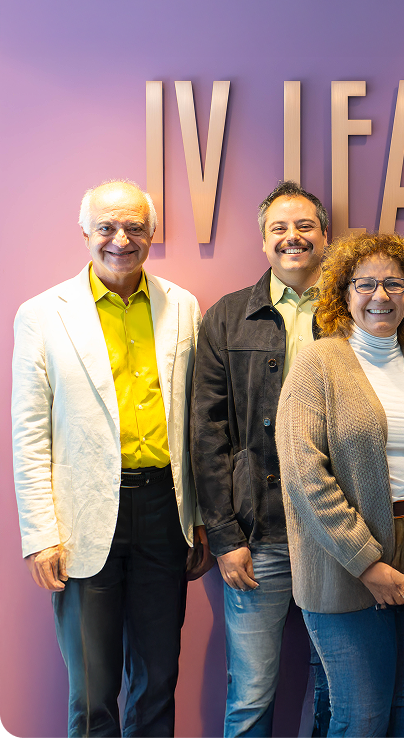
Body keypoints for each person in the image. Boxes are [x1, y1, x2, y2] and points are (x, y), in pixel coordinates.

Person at [12, 179, 212, 738]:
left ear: (152, 233)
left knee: (157, 679)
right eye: (107, 227)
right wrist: (41, 535)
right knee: (92, 690)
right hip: (82, 517)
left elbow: (194, 419)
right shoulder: (41, 315)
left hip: (164, 511)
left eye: (135, 227)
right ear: (85, 234)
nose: (121, 239)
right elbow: (29, 434)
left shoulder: (183, 307)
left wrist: (196, 519)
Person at [275, 232, 404, 738]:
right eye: (365, 284)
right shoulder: (315, 364)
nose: (380, 296)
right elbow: (304, 475)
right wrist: (367, 562)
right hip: (341, 562)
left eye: (394, 284)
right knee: (360, 717)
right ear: (343, 293)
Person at [191, 181, 330, 738]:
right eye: (279, 228)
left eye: (304, 227)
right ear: (263, 239)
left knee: (332, 691)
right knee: (250, 694)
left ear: (325, 237)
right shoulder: (228, 317)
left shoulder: (356, 309)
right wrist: (224, 538)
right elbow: (207, 432)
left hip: (337, 536)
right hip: (257, 534)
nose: (292, 237)